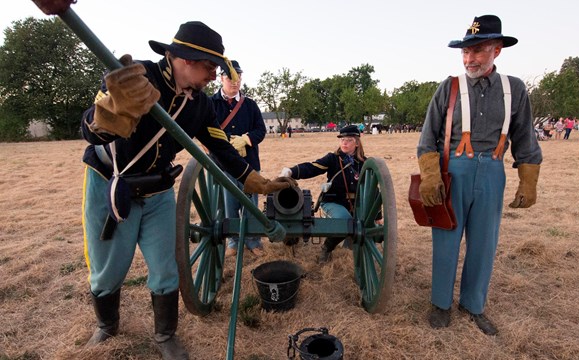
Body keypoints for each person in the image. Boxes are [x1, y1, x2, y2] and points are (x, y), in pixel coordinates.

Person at [80, 22, 294, 359]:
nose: (213, 75)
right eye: (210, 67)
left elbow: (221, 149)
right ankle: (107, 326)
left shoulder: (201, 106)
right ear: (186, 59)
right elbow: (92, 130)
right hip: (110, 182)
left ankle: (165, 335)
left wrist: (256, 181)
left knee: (166, 268)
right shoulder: (137, 77)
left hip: (159, 191)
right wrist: (109, 116)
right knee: (109, 268)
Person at [417, 15, 542, 336]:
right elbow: (427, 137)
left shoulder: (514, 89)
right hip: (453, 172)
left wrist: (528, 181)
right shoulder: (450, 87)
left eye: (478, 50)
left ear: (496, 51)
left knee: (484, 243)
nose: (469, 58)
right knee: (446, 239)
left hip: (492, 173)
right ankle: (440, 304)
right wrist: (431, 176)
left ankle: (473, 305)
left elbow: (525, 137)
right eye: (465, 52)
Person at [279, 125, 366, 263]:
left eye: (349, 140)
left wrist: (378, 215)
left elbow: (374, 188)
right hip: (333, 202)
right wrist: (292, 171)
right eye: (342, 139)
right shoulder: (333, 159)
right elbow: (313, 167)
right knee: (344, 220)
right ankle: (327, 248)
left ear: (357, 142)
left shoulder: (364, 163)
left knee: (364, 222)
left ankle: (350, 238)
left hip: (357, 205)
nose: (344, 142)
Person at [211, 60, 267, 257]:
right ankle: (233, 241)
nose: (235, 83)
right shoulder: (211, 103)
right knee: (229, 205)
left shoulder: (250, 105)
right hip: (223, 165)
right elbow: (204, 131)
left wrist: (246, 139)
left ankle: (253, 240)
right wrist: (228, 144)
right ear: (221, 78)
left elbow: (261, 130)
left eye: (239, 78)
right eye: (230, 78)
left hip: (249, 163)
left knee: (251, 203)